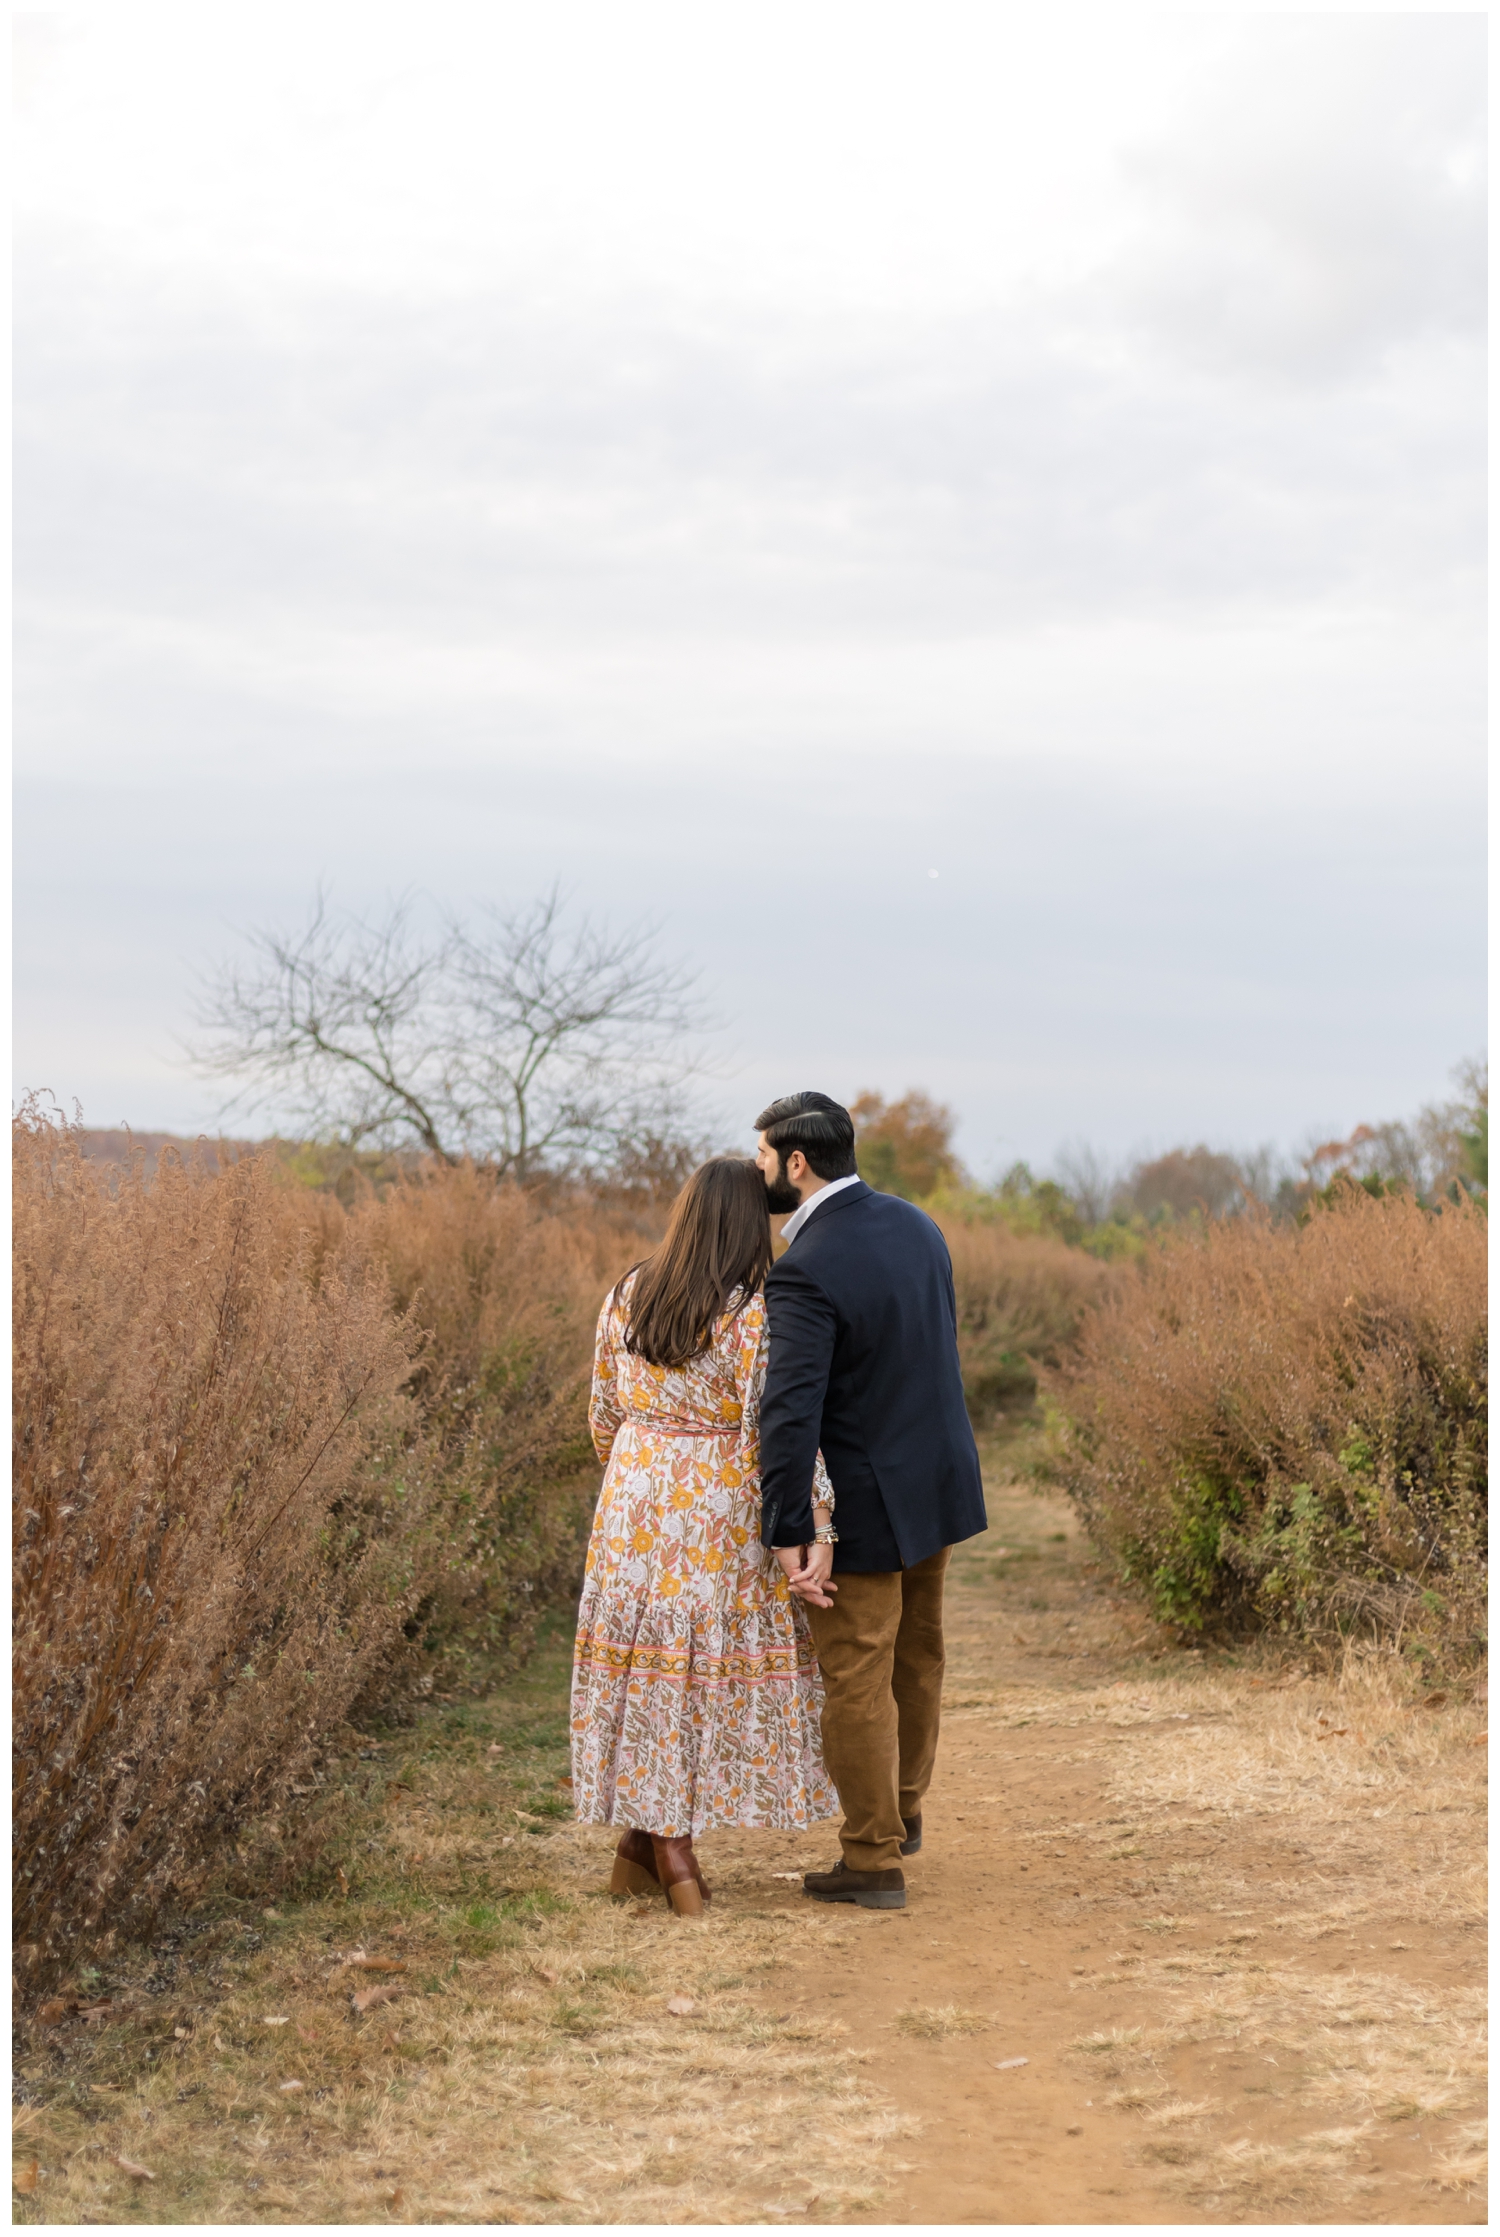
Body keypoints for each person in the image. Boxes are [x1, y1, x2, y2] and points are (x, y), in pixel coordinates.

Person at [571, 1156, 840, 1916]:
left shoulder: (626, 1291)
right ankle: (674, 1851)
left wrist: (643, 1463)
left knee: (643, 1664)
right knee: (693, 1672)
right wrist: (815, 1512)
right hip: (715, 1505)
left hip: (634, 1498)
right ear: (747, 1224)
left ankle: (637, 1845)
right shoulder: (755, 1311)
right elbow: (779, 1426)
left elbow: (602, 1414)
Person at [755, 1090, 987, 1910]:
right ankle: (905, 1811)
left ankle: (871, 1857)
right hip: (939, 1480)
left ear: (795, 1161)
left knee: (855, 1668)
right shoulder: (919, 1225)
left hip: (864, 1498)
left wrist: (788, 1524)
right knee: (918, 1651)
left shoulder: (806, 1268)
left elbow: (791, 1410)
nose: (759, 1173)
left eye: (762, 1157)